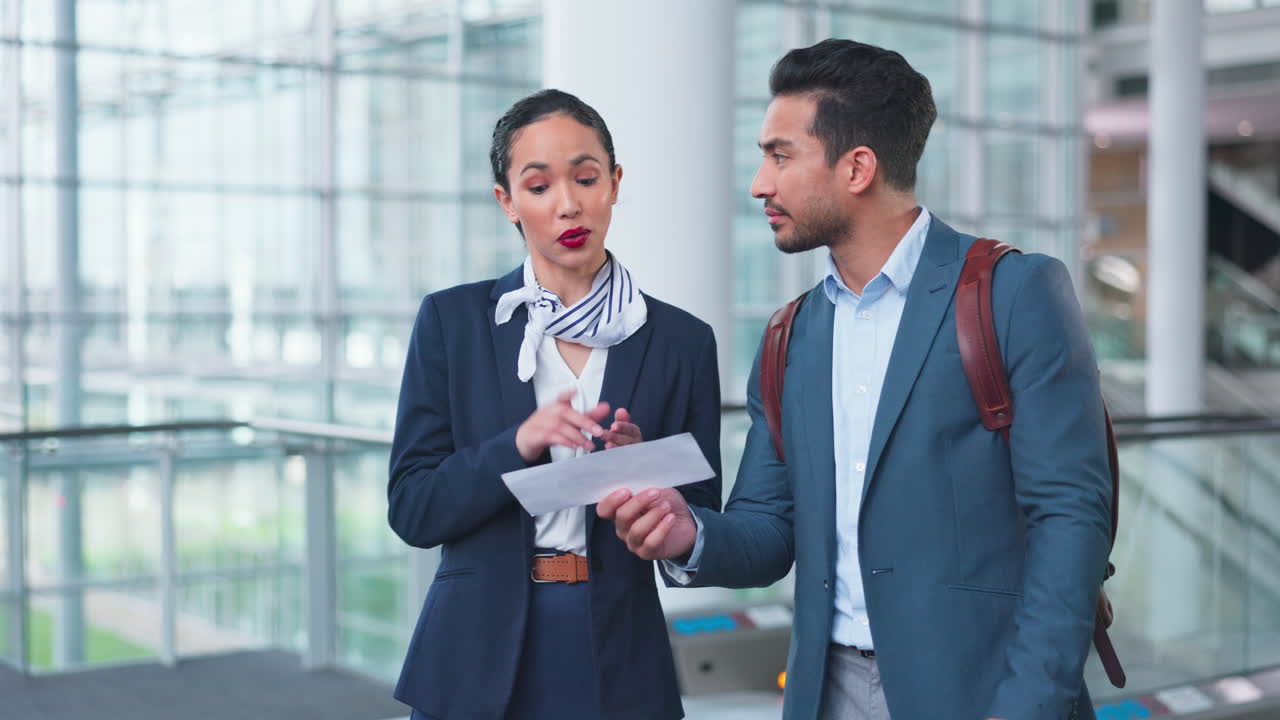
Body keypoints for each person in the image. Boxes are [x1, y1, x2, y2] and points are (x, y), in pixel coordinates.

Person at [599, 39, 1112, 720]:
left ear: (858, 167)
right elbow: (768, 528)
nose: (760, 182)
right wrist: (686, 530)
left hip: (981, 693)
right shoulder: (789, 336)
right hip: (824, 694)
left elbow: (1070, 519)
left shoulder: (1013, 293)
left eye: (781, 155)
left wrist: (1027, 707)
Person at [388, 88, 722, 720]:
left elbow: (699, 520)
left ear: (615, 183)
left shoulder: (682, 341)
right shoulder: (452, 323)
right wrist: (519, 443)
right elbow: (413, 509)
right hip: (475, 646)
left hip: (617, 646)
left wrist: (646, 476)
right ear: (506, 202)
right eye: (538, 187)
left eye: (587, 178)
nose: (569, 204)